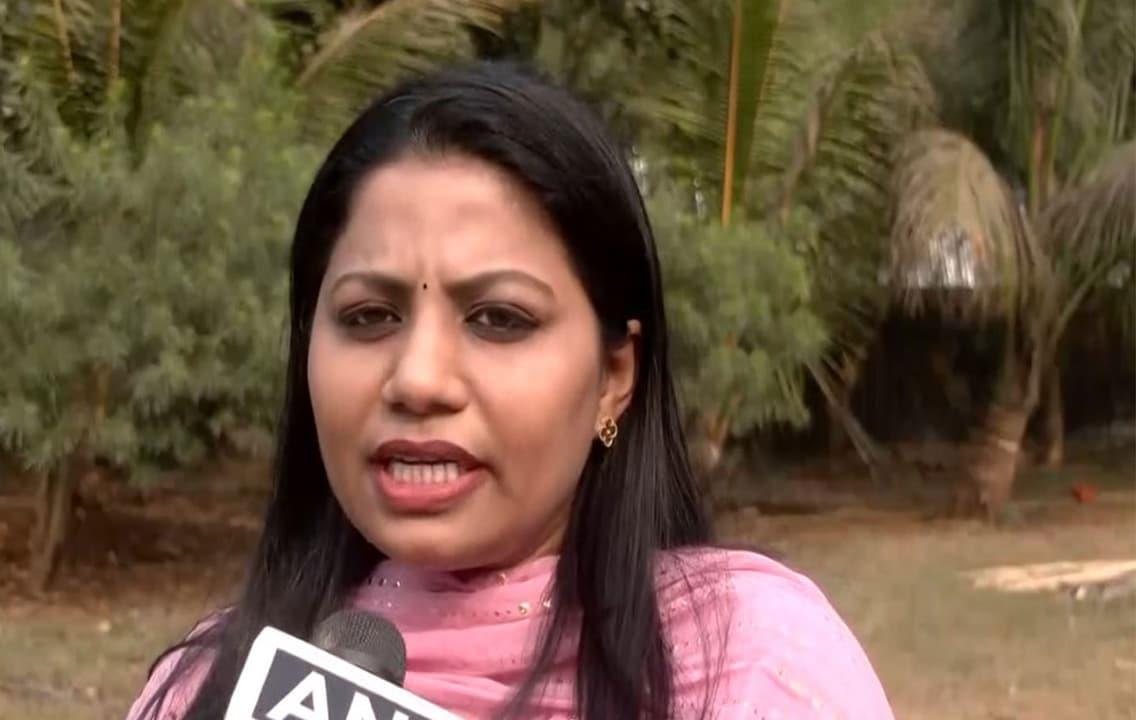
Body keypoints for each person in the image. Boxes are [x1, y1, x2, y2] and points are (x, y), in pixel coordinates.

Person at [125, 62, 894, 720]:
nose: (419, 379)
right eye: (368, 317)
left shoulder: (756, 669)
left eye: (499, 319)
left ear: (614, 378)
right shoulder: (205, 691)